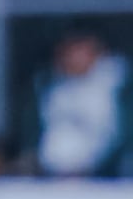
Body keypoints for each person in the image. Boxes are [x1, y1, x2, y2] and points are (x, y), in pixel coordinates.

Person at [29, 26, 131, 178]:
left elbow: (121, 136)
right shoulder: (48, 88)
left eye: (81, 53)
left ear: (97, 54)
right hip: (52, 176)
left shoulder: (117, 88)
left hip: (105, 176)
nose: (74, 59)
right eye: (69, 53)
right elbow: (34, 133)